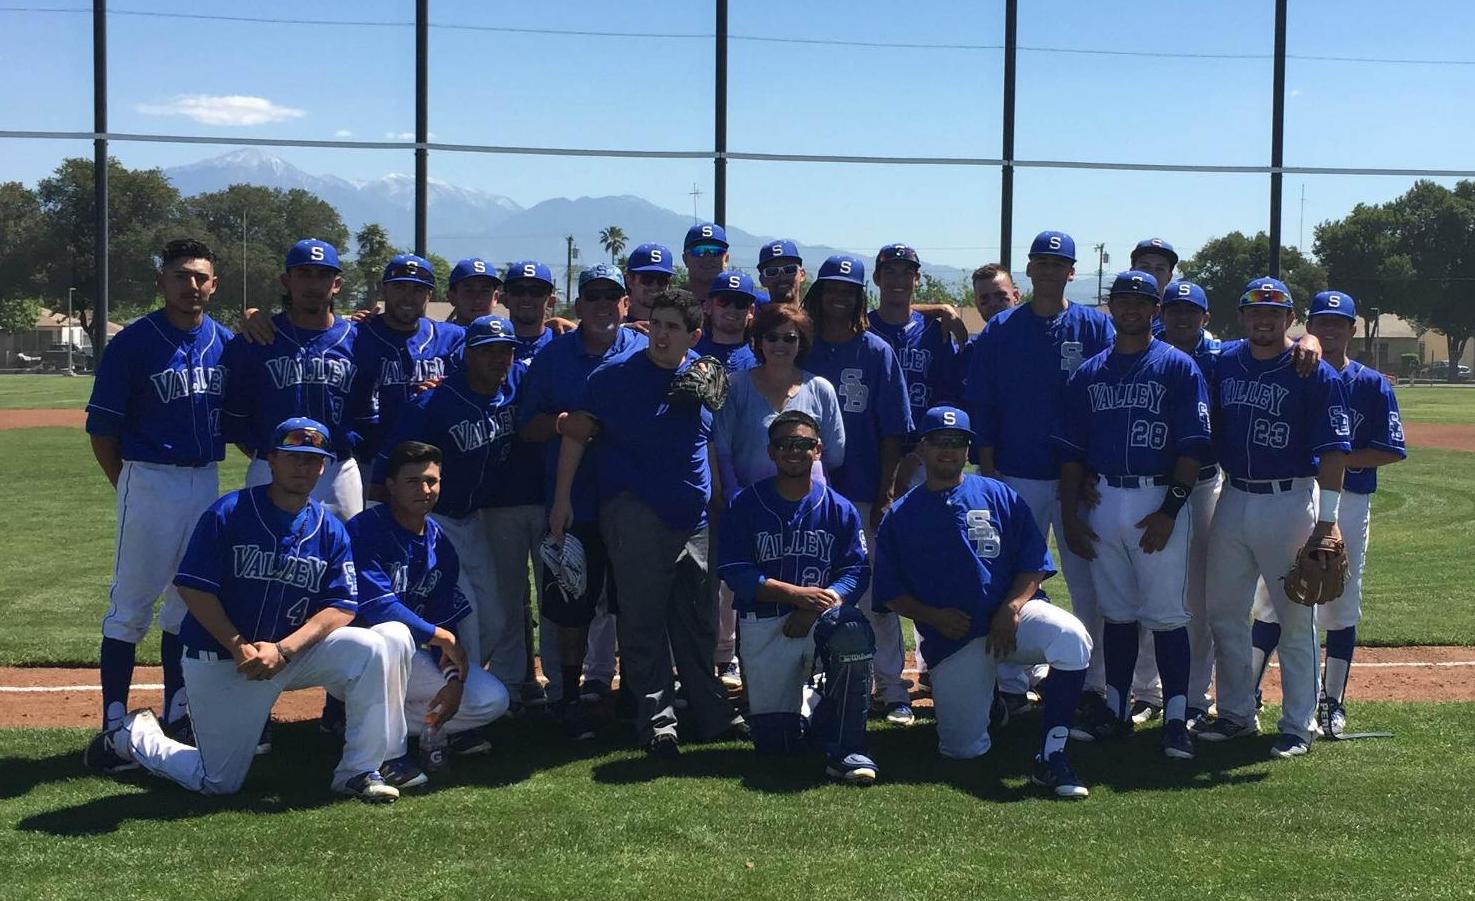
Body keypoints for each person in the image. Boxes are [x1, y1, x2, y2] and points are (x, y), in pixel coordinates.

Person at [84, 418, 409, 803]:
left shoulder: (329, 528)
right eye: (293, 457)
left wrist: (285, 649)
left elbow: (341, 606)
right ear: (271, 460)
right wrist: (239, 647)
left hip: (289, 655)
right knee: (217, 781)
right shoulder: (230, 512)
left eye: (313, 460)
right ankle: (135, 736)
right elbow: (193, 587)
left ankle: (358, 771)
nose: (303, 468)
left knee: (371, 648)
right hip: (222, 659)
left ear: (323, 467)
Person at [548, 289, 745, 757]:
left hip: (693, 516)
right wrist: (562, 500)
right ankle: (657, 721)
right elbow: (576, 438)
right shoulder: (612, 378)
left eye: (673, 327)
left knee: (697, 622)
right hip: (636, 512)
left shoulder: (702, 376)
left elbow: (707, 445)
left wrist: (717, 500)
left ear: (694, 335)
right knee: (642, 622)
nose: (660, 334)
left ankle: (709, 711)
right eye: (656, 324)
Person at [874, 407, 1093, 799]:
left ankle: (1052, 755)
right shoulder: (902, 515)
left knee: (1072, 638)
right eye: (939, 441)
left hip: (1011, 618)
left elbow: (1033, 563)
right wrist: (933, 617)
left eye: (958, 442)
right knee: (962, 751)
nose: (948, 450)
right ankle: (989, 702)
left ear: (968, 449)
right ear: (921, 449)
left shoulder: (998, 494)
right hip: (954, 636)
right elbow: (890, 593)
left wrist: (1011, 608)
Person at [1053, 271, 1211, 760]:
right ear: (1111, 308)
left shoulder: (1179, 367)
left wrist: (1169, 511)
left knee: (1166, 616)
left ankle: (1177, 719)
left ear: (1155, 310)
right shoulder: (1090, 373)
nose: (1131, 309)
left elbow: (1193, 448)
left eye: (1142, 302)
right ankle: (1117, 712)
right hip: (1102, 501)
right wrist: (1072, 516)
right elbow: (1072, 454)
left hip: (1156, 498)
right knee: (1117, 614)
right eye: (1123, 301)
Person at [84, 238, 233, 744]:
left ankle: (178, 711)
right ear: (160, 282)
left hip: (205, 479)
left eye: (200, 277)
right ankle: (112, 721)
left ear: (213, 284)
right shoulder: (134, 342)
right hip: (148, 476)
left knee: (187, 603)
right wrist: (129, 484)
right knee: (131, 605)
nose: (191, 285)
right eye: (180, 275)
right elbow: (102, 431)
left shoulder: (225, 341)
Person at [962, 230, 1114, 721]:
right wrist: (988, 473)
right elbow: (982, 405)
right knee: (1009, 581)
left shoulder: (1093, 325)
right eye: (1041, 263)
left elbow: (1109, 403)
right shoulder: (1002, 329)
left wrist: (1098, 465)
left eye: (1058, 263)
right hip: (1016, 474)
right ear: (1030, 270)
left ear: (1073, 271)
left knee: (1089, 580)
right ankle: (1010, 684)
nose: (1049, 271)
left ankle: (1093, 682)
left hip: (1080, 479)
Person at [1198, 277, 1351, 758]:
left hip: (1290, 501)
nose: (1264, 320)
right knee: (1223, 611)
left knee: (1294, 616)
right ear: (1242, 317)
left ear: (1290, 319)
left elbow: (1333, 453)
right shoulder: (1224, 361)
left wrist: (1327, 522)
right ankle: (1237, 714)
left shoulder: (1313, 370)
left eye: (1275, 312)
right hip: (1234, 496)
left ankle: (1298, 723)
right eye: (1255, 312)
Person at [1248, 290, 1405, 739]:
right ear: (1309, 325)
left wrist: (1336, 457)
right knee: (1271, 595)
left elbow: (1391, 450)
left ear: (1353, 329)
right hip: (1295, 496)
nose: (1331, 328)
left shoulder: (1372, 384)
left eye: (1339, 322)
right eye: (1323, 321)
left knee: (1339, 597)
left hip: (1349, 501)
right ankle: (1252, 693)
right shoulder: (1295, 373)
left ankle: (1332, 701)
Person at [518, 265, 648, 736]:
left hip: (633, 503)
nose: (601, 305)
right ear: (577, 305)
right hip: (573, 504)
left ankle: (634, 696)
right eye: (592, 296)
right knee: (570, 609)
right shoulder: (555, 356)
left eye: (610, 297)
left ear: (626, 303)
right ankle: (568, 699)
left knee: (633, 607)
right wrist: (560, 423)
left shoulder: (641, 347)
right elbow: (526, 426)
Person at [717, 411, 878, 784]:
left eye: (803, 443)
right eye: (784, 444)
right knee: (777, 746)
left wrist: (815, 607)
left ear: (818, 450)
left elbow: (855, 571)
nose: (794, 450)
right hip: (765, 621)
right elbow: (735, 570)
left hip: (822, 619)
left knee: (851, 631)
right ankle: (816, 708)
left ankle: (847, 750)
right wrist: (795, 596)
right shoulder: (746, 504)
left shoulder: (839, 508)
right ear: (770, 452)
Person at [347, 440, 511, 783]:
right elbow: (378, 606)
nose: (425, 489)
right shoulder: (364, 530)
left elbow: (444, 618)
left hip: (409, 656)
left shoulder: (440, 543)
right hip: (356, 655)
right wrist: (439, 636)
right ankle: (384, 751)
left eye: (432, 481)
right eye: (413, 481)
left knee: (492, 700)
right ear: (390, 485)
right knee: (391, 636)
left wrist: (453, 682)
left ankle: (370, 725)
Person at [800, 254, 915, 725]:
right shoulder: (801, 346)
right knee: (811, 587)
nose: (839, 298)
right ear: (819, 294)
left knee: (874, 592)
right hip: (808, 492)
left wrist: (887, 491)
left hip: (864, 488)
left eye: (848, 290)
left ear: (858, 296)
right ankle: (816, 683)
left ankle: (891, 686)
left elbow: (894, 430)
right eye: (832, 289)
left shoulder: (875, 350)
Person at [371, 316, 522, 671]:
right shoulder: (432, 403)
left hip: (474, 522)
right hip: (434, 521)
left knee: (495, 618)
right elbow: (386, 469)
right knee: (463, 615)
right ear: (467, 355)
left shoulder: (516, 386)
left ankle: (455, 682)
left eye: (505, 351)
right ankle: (456, 702)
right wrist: (388, 529)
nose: (498, 358)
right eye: (488, 351)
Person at [712, 301, 846, 689]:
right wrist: (735, 496)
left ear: (801, 341)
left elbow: (834, 452)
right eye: (771, 336)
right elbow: (721, 445)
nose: (780, 344)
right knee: (742, 583)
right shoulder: (737, 385)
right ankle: (731, 656)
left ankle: (814, 660)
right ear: (758, 340)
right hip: (749, 505)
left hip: (809, 504)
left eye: (790, 337)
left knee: (808, 577)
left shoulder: (818, 388)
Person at [220, 238, 373, 521]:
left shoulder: (361, 341)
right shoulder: (257, 339)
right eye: (304, 274)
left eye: (323, 275)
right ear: (286, 281)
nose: (313, 285)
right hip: (272, 464)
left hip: (337, 468)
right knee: (266, 556)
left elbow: (366, 417)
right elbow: (237, 420)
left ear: (337, 284)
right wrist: (272, 457)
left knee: (343, 556)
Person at [482, 261, 560, 708]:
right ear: (505, 296)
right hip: (502, 491)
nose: (527, 297)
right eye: (519, 289)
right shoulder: (485, 341)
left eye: (537, 290)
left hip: (552, 491)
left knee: (555, 595)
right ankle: (513, 681)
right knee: (508, 597)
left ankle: (555, 681)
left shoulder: (564, 344)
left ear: (550, 297)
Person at [353, 254, 465, 460]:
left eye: (418, 289)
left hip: (430, 456)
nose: (408, 296)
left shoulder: (451, 337)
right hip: (369, 454)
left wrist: (445, 387)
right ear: (383, 288)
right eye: (399, 287)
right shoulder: (356, 334)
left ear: (429, 295)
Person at [696, 270, 760, 372]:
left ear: (751, 311)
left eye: (740, 302)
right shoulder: (689, 355)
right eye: (723, 301)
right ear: (708, 306)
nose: (731, 308)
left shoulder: (761, 359)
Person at [624, 243, 674, 323]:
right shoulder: (613, 324)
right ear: (629, 281)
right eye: (648, 279)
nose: (655, 285)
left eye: (662, 280)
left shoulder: (678, 327)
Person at [446, 258, 502, 327]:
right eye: (469, 291)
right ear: (452, 298)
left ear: (495, 298)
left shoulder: (506, 335)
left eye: (485, 291)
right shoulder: (441, 336)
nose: (477, 300)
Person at [683, 222, 730, 306]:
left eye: (716, 251)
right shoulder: (670, 305)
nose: (707, 258)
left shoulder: (742, 304)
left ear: (726, 259)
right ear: (685, 259)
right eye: (699, 251)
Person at [757, 239, 807, 306]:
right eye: (772, 272)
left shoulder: (816, 315)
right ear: (762, 280)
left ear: (802, 274)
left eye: (790, 269)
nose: (782, 277)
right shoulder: (757, 316)